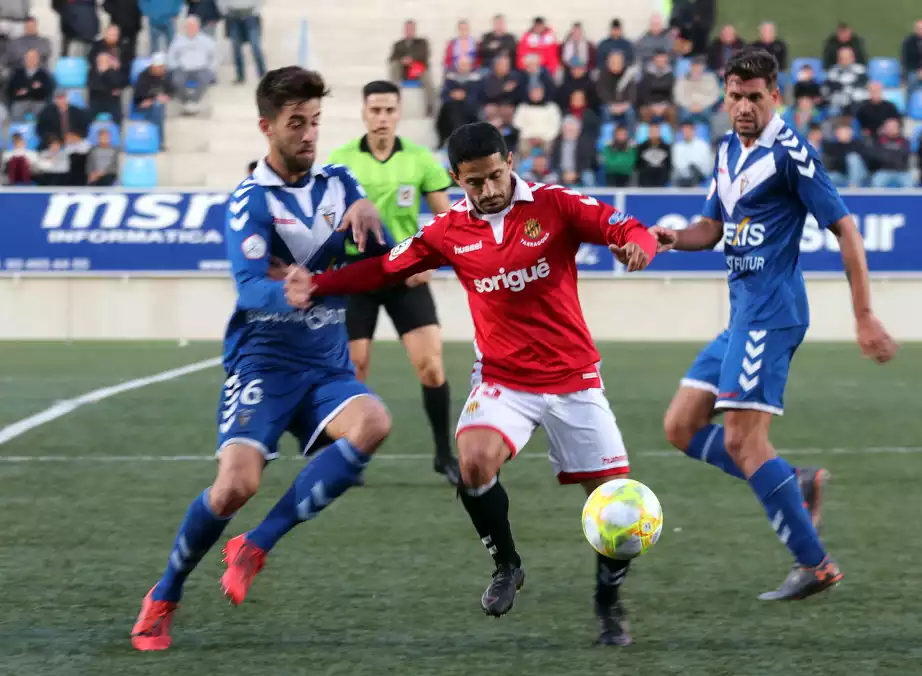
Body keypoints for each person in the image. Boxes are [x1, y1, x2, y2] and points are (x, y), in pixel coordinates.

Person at [293, 121, 660, 646]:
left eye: (494, 176)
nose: (488, 191)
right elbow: (382, 270)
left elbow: (625, 226)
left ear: (510, 162)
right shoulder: (448, 231)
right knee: (473, 462)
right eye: (474, 182)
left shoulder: (554, 205)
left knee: (615, 504)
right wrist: (321, 284)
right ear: (455, 179)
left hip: (573, 378)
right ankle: (507, 565)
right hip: (504, 379)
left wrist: (638, 246)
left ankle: (608, 601)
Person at [130, 66, 392, 651]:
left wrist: (370, 210)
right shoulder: (250, 201)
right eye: (296, 123)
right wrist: (286, 291)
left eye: (315, 122)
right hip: (263, 365)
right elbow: (248, 286)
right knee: (234, 487)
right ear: (265, 126)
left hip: (326, 366)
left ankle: (255, 545)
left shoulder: (341, 180)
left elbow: (368, 232)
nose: (308, 134)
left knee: (374, 421)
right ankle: (164, 594)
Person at [653, 48, 897, 601]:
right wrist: (671, 238)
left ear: (775, 97)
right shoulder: (726, 150)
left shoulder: (793, 155)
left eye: (754, 97)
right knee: (680, 427)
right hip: (742, 317)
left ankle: (815, 563)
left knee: (742, 440)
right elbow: (711, 228)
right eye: (735, 96)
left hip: (773, 315)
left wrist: (864, 316)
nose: (743, 107)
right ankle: (795, 480)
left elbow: (847, 232)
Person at [327, 80, 460, 484]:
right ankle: (349, 459)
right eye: (375, 110)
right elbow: (326, 219)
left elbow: (450, 220)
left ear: (399, 113)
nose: (382, 117)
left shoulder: (420, 160)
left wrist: (432, 263)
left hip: (406, 273)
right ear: (364, 113)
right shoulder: (341, 160)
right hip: (358, 275)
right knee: (355, 367)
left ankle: (443, 454)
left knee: (431, 367)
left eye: (389, 110)